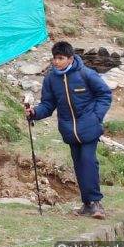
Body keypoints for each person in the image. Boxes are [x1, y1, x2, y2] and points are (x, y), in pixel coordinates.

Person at [25, 41, 112, 219]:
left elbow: (105, 94)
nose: (56, 62)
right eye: (54, 58)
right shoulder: (50, 79)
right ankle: (87, 204)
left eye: (60, 58)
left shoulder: (86, 74)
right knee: (79, 164)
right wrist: (34, 112)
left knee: (88, 161)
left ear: (70, 58)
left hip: (89, 128)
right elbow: (48, 105)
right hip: (69, 131)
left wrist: (96, 117)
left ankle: (96, 203)